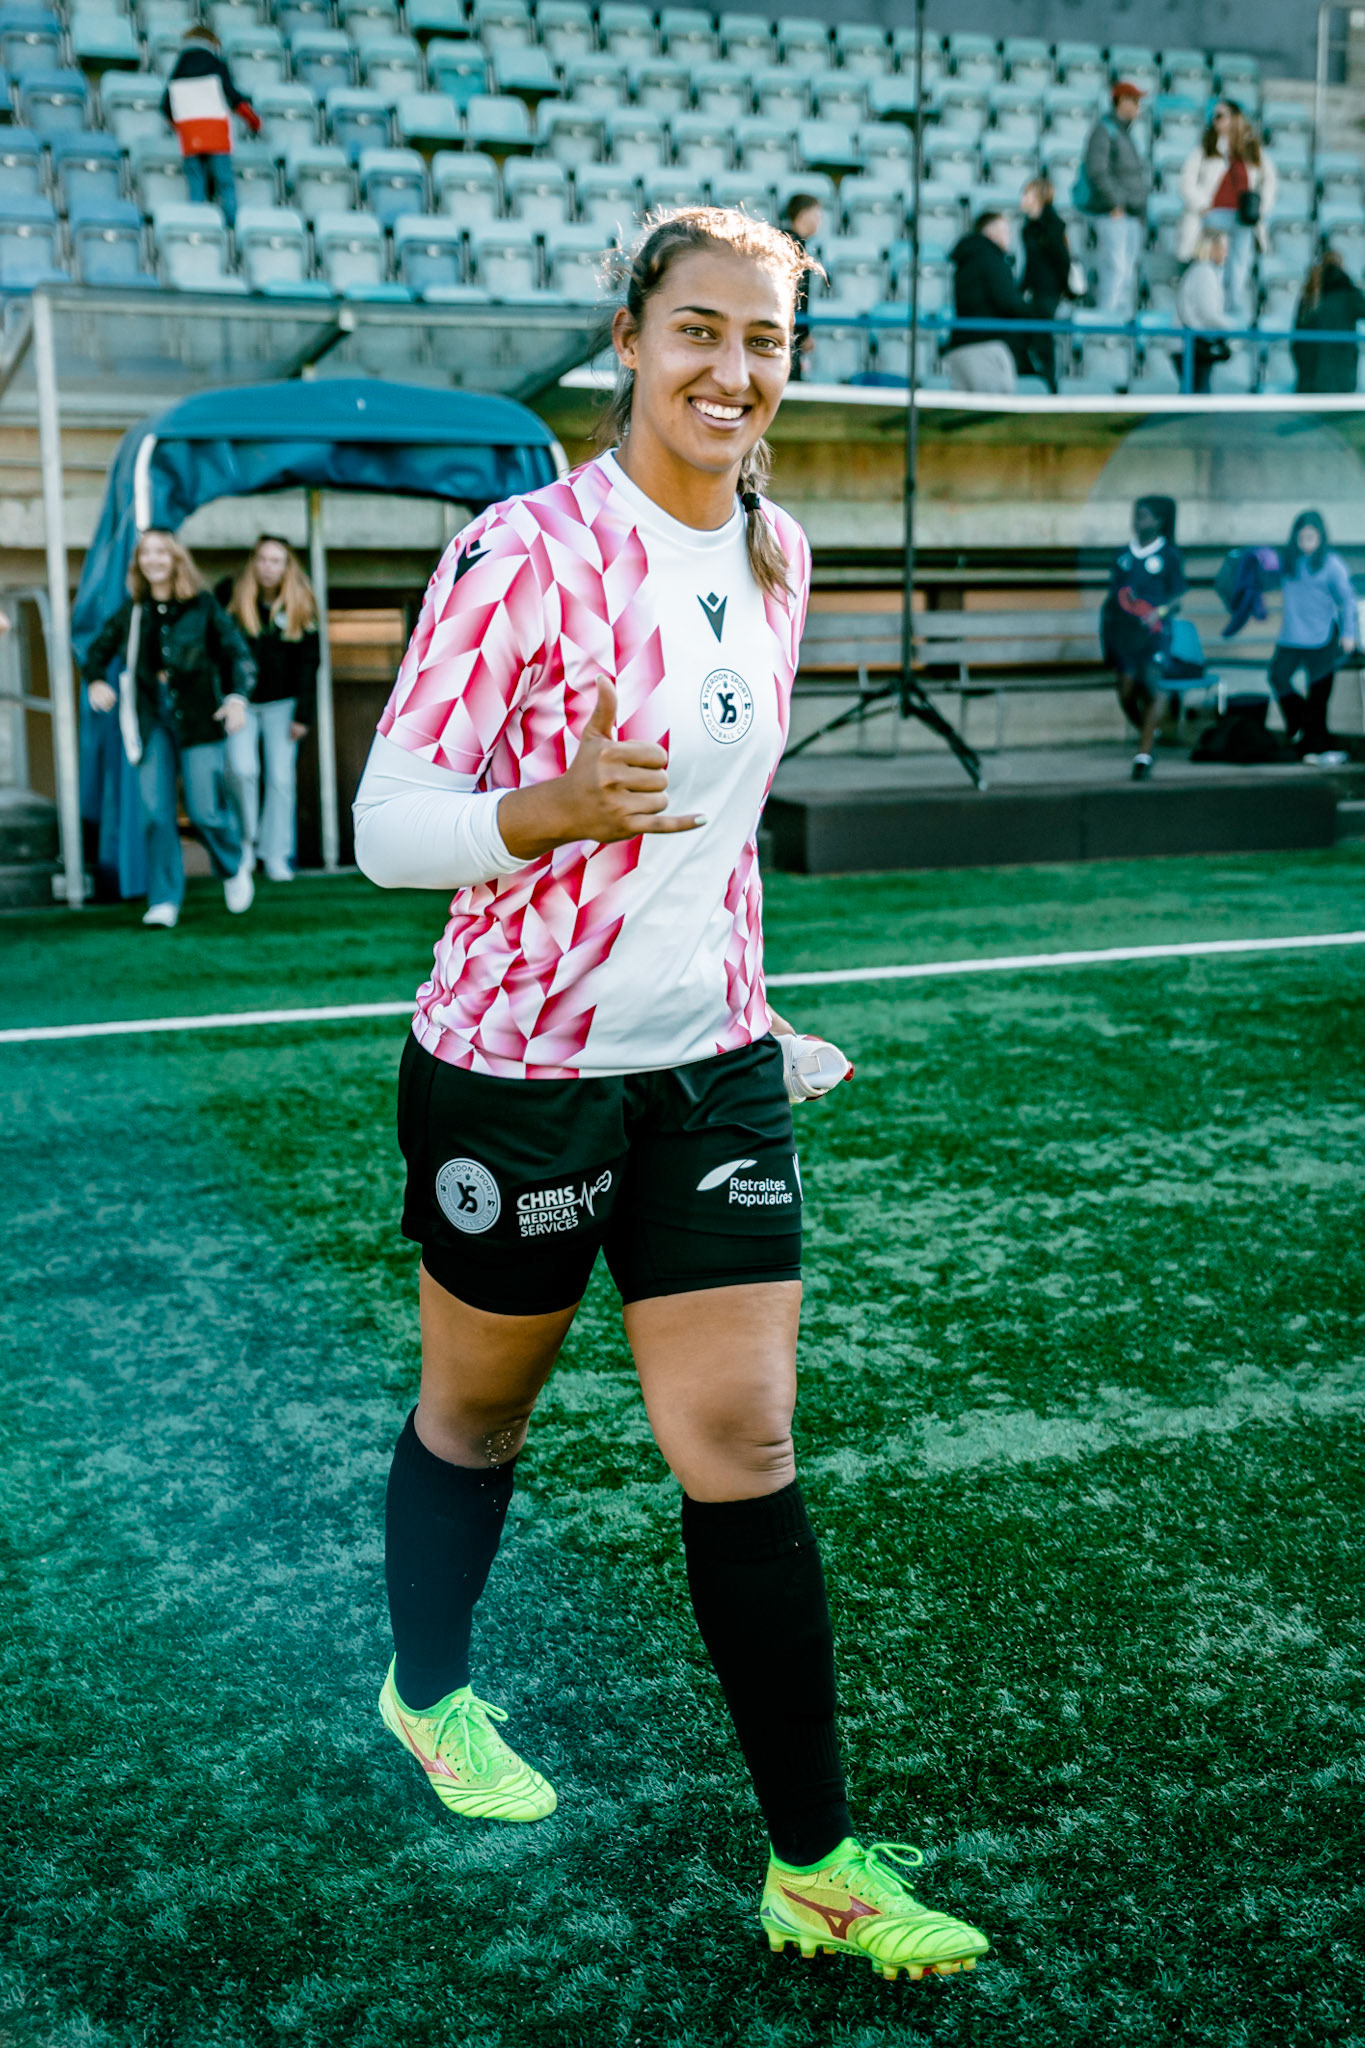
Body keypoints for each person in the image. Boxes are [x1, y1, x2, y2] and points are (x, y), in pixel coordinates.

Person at [352, 205, 991, 1984]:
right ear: (627, 339)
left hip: (705, 1075)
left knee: (748, 1449)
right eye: (698, 331)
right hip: (519, 1079)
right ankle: (429, 1690)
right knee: (476, 1420)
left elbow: (719, 843)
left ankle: (814, 1865)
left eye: (765, 342)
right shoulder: (525, 552)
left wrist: (750, 1011)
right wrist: (539, 811)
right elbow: (386, 822)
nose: (732, 371)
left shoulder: (781, 553)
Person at [82, 530, 256, 927]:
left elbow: (237, 655)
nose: (154, 559)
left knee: (204, 809)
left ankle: (232, 865)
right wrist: (96, 681)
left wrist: (236, 697)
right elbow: (97, 652)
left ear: (175, 558)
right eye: (146, 553)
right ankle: (164, 900)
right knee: (155, 814)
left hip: (199, 721)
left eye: (161, 552)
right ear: (139, 563)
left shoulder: (204, 607)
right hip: (151, 721)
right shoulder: (134, 611)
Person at [217, 536, 320, 881]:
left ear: (286, 566)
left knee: (280, 777)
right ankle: (244, 845)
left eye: (276, 560)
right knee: (242, 770)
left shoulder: (301, 603)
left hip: (283, 705)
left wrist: (303, 714)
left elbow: (310, 663)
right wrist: (225, 698)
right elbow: (216, 651)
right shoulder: (231, 596)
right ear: (253, 562)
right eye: (262, 559)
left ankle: (276, 853)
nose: (268, 567)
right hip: (241, 702)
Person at [1100, 494, 1187, 780]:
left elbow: (1177, 599)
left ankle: (1144, 754)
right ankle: (1151, 730)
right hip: (1126, 637)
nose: (1138, 521)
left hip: (1155, 634)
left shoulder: (1169, 556)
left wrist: (1158, 612)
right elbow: (1114, 595)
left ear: (1159, 521)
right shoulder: (1122, 555)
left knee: (1152, 687)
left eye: (1144, 516)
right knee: (1126, 691)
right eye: (1136, 515)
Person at [1177, 99, 1276, 324]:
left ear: (1234, 118)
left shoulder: (1252, 149)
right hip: (1215, 215)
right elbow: (1186, 181)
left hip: (1244, 218)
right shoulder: (1207, 147)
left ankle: (1233, 314)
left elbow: (1269, 180)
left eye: (1221, 116)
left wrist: (1260, 208)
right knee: (1216, 265)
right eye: (1214, 116)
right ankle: (1213, 313)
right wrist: (1202, 205)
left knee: (1239, 267)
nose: (1216, 121)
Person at [1269, 510, 1356, 765]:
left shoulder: (1331, 564)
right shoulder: (1288, 563)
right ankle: (1300, 725)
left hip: (1322, 638)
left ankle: (1315, 745)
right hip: (1291, 636)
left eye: (1311, 536)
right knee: (1277, 677)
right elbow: (1264, 574)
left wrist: (1349, 634)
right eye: (1302, 536)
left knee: (1319, 694)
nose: (1306, 541)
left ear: (1320, 537)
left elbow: (1347, 601)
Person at [161, 24, 261, 228]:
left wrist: (180, 126)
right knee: (225, 182)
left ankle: (198, 226)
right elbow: (234, 98)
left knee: (196, 183)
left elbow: (165, 105)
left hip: (190, 134)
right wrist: (254, 122)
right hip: (215, 131)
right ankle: (232, 227)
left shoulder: (178, 69)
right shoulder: (216, 64)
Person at [1080, 81, 1150, 318]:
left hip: (1131, 216)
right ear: (1122, 101)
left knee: (1127, 275)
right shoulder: (1104, 130)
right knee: (1115, 271)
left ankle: (1120, 328)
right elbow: (1097, 170)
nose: (1139, 106)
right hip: (1115, 215)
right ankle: (1106, 325)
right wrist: (1115, 203)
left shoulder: (1124, 133)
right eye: (1135, 100)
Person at [944, 210, 1028, 393]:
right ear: (991, 233)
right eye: (1005, 230)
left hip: (959, 347)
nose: (1009, 236)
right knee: (993, 414)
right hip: (986, 347)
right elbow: (1009, 303)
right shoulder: (992, 260)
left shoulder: (964, 261)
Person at [1018, 176, 1071, 392]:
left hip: (1048, 294)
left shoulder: (1051, 226)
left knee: (1043, 340)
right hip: (1036, 293)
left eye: (1027, 194)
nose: (1023, 199)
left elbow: (1062, 261)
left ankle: (1049, 386)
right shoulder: (1030, 227)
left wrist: (1061, 290)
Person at [1292, 250, 1365, 394]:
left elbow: (1296, 343)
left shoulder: (1308, 296)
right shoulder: (1348, 295)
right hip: (1340, 382)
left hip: (1308, 383)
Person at [1174, 231, 1234, 392]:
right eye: (1223, 248)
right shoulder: (1203, 272)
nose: (1226, 253)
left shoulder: (1202, 271)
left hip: (1192, 344)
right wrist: (1232, 328)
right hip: (1192, 345)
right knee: (1198, 396)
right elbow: (1208, 313)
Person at [779, 193, 823, 381]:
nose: (819, 220)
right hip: (788, 333)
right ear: (804, 214)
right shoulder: (792, 246)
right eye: (817, 213)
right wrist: (803, 334)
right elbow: (796, 294)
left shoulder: (786, 242)